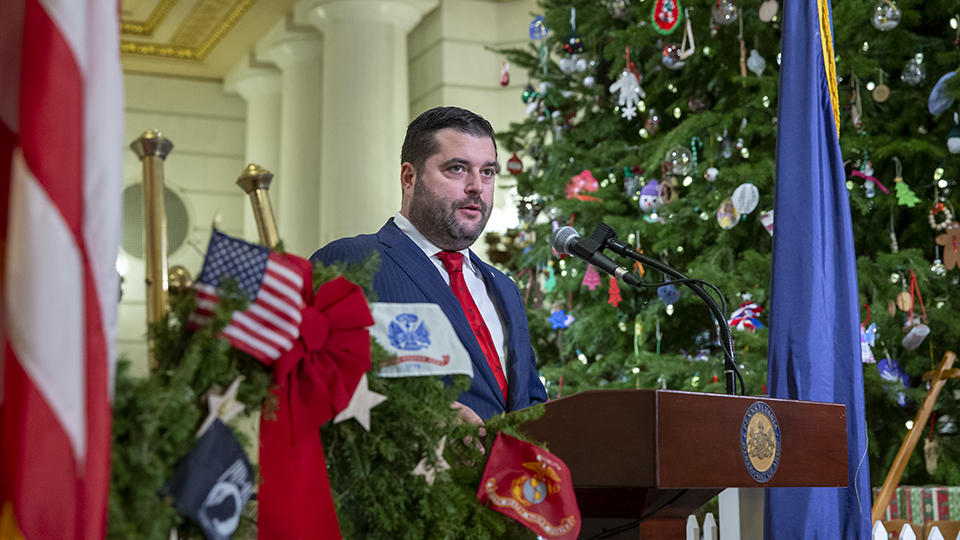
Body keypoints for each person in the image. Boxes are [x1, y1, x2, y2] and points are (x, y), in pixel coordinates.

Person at [311, 106, 547, 423]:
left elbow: (530, 402)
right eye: (457, 169)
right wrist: (428, 421)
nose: (477, 186)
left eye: (488, 172)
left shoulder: (503, 286)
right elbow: (316, 383)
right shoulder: (350, 262)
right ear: (409, 177)